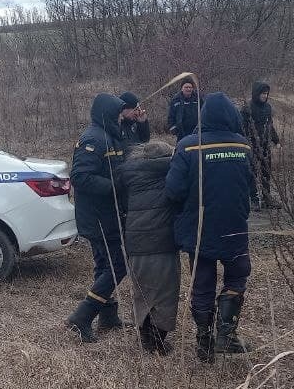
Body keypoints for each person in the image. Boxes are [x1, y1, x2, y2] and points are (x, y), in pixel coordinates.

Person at [166, 92, 255, 362]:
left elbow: (172, 190)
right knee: (238, 275)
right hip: (235, 225)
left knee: (202, 283)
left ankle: (204, 341)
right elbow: (251, 187)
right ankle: (225, 335)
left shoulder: (188, 146)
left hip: (199, 227)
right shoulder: (243, 146)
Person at [65, 94, 130, 342]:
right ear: (106, 114)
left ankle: (108, 315)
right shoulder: (93, 138)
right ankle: (82, 316)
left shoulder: (110, 135)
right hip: (98, 217)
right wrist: (114, 185)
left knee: (104, 264)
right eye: (117, 113)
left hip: (109, 214)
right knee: (118, 266)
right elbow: (80, 177)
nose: (120, 117)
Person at [121, 140, 179, 354]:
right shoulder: (169, 173)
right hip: (161, 243)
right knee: (165, 294)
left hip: (135, 244)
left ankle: (146, 337)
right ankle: (156, 342)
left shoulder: (132, 176)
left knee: (142, 292)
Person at [240, 81, 281, 208]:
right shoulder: (247, 108)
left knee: (266, 172)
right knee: (251, 172)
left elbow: (270, 125)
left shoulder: (268, 107)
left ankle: (266, 198)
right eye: (263, 93)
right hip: (251, 145)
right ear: (257, 93)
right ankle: (253, 199)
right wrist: (245, 143)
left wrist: (276, 140)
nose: (265, 96)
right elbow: (242, 127)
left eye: (266, 94)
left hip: (265, 145)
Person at [166, 78, 200, 142]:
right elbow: (171, 117)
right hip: (182, 134)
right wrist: (175, 130)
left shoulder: (198, 99)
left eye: (190, 87)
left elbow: (204, 113)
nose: (188, 89)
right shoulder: (176, 100)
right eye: (186, 87)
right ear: (182, 88)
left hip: (197, 134)